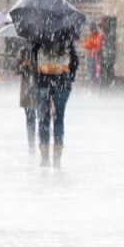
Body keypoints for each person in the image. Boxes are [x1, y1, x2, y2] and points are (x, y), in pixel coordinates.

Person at [32, 39, 78, 169]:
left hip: (42, 83)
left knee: (43, 118)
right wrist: (69, 76)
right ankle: (57, 158)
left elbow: (33, 58)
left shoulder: (39, 36)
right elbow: (75, 61)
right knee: (59, 119)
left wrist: (39, 76)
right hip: (62, 83)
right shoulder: (67, 37)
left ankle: (45, 157)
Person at [16, 45, 37, 154]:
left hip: (39, 87)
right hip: (27, 90)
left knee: (42, 117)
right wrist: (23, 65)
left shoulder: (41, 48)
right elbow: (16, 69)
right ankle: (32, 144)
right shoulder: (23, 51)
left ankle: (43, 142)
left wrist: (34, 65)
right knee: (30, 118)